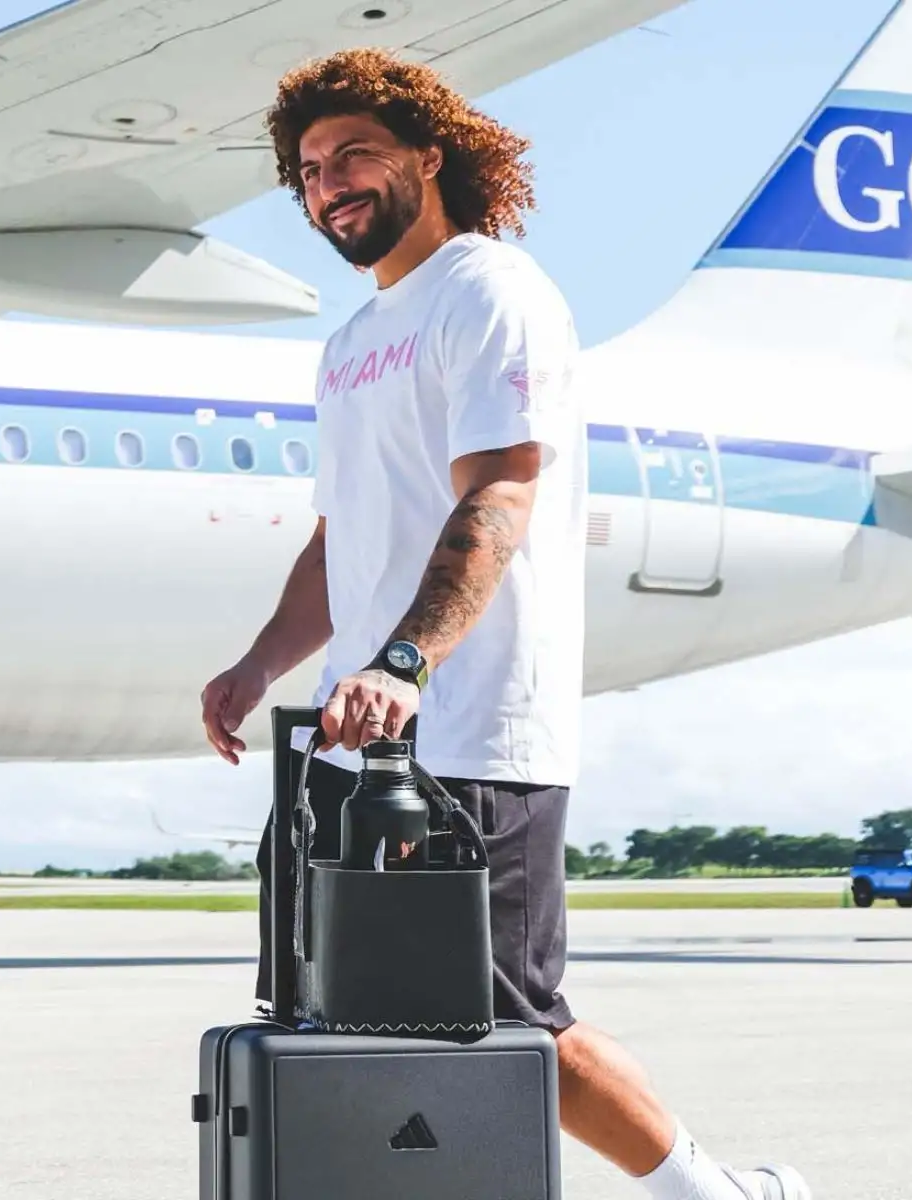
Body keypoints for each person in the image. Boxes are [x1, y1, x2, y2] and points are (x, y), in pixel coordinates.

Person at [197, 48, 810, 1200]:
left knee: (509, 1018)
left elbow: (500, 495)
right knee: (346, 1010)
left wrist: (407, 663)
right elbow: (339, 542)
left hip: (472, 733)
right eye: (310, 171)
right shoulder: (349, 346)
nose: (329, 185)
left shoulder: (490, 291)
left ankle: (716, 1195)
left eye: (355, 155)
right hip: (353, 740)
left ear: (430, 156)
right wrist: (258, 663)